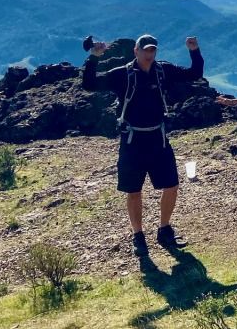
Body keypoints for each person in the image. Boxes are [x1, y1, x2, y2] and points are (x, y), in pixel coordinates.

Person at [81, 34, 204, 256]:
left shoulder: (162, 70)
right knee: (134, 190)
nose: (149, 54)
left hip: (159, 138)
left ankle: (164, 229)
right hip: (132, 140)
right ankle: (138, 235)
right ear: (135, 51)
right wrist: (93, 58)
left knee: (172, 186)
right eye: (145, 50)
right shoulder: (122, 74)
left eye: (153, 50)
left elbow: (194, 73)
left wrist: (194, 51)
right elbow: (89, 84)